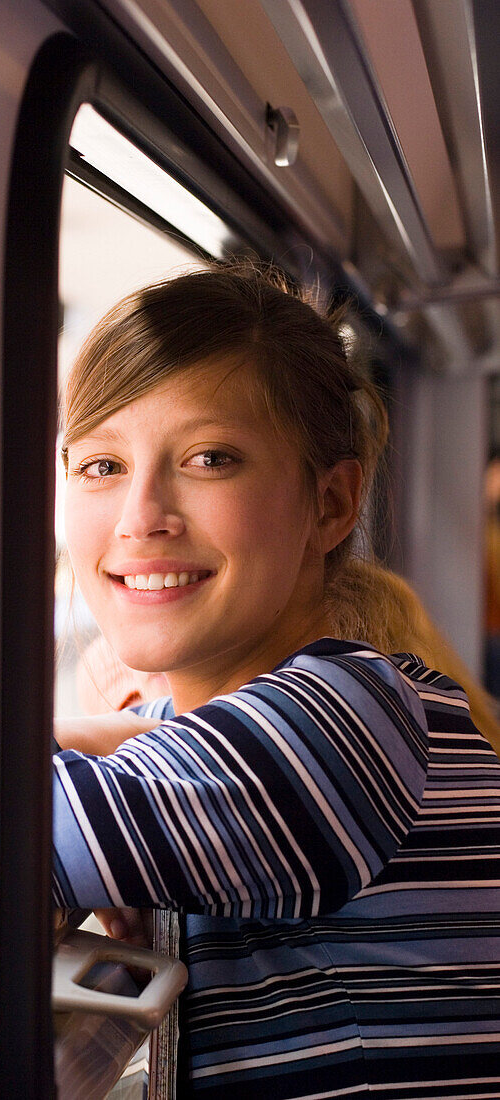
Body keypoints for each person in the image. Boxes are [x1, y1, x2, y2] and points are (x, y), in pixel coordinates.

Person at [52, 262, 500, 1098]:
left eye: (209, 458)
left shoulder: (343, 720)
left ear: (329, 507)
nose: (140, 514)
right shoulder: (239, 742)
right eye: (99, 466)